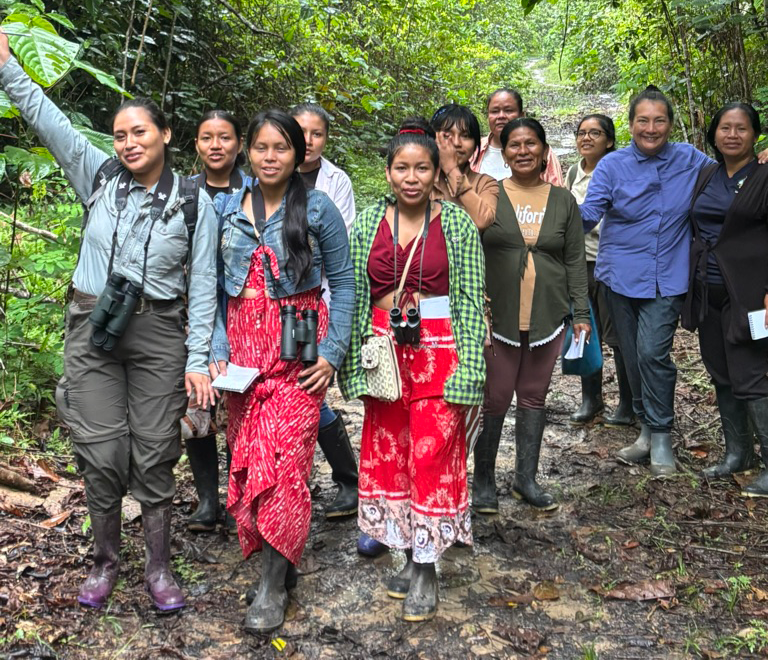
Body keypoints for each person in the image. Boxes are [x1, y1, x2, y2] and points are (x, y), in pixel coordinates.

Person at [0, 33, 217, 612]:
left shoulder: (196, 203)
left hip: (159, 333)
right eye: (120, 135)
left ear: (166, 135)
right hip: (91, 328)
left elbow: (202, 291)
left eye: (139, 132)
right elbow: (51, 121)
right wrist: (7, 66)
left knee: (153, 452)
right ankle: (103, 562)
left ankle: (159, 567)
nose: (127, 143)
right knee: (101, 450)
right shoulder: (97, 176)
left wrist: (198, 358)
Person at [211, 110, 354, 634]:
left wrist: (332, 354)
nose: (271, 157)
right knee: (248, 464)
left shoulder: (317, 209)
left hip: (296, 360)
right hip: (241, 362)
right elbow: (213, 288)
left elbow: (344, 283)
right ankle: (281, 561)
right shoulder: (227, 207)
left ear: (298, 154)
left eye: (282, 148)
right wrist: (216, 348)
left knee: (283, 469)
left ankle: (272, 587)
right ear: (248, 152)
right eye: (262, 148)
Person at [339, 119, 486, 621]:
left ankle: (426, 567)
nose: (411, 177)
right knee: (390, 458)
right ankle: (407, 551)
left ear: (435, 172)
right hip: (384, 354)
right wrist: (352, 364)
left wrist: (470, 367)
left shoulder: (458, 224)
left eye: (422, 167)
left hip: (440, 351)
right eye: (402, 167)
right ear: (387, 173)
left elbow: (468, 299)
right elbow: (355, 297)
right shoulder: (365, 226)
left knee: (433, 457)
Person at [580, 86, 715, 477]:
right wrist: (551, 213)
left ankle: (661, 436)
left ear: (670, 125)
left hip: (668, 276)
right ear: (631, 123)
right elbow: (590, 213)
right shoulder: (612, 165)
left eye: (659, 120)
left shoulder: (690, 159)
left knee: (653, 353)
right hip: (619, 275)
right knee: (630, 353)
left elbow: (727, 174)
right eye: (643, 121)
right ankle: (644, 429)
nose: (651, 128)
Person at [474, 117, 590, 514]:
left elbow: (575, 259)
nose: (523, 151)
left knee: (534, 395)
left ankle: (526, 478)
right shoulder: (490, 195)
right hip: (497, 315)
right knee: (496, 396)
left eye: (530, 144)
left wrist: (582, 313)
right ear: (503, 153)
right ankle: (484, 480)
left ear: (544, 150)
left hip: (548, 312)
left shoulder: (562, 201)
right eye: (514, 145)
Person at [681, 102, 768, 492]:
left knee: (752, 374)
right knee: (720, 371)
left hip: (751, 293)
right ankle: (738, 453)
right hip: (707, 291)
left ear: (755, 135)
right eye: (725, 128)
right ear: (713, 134)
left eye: (742, 129)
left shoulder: (765, 175)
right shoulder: (707, 174)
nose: (732, 135)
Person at [289, 103, 359, 521]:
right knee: (299, 390)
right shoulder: (268, 175)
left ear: (325, 139)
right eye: (301, 132)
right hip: (278, 308)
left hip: (320, 303)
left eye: (317, 134)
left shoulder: (337, 182)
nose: (308, 141)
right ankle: (344, 478)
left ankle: (347, 480)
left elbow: (340, 248)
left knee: (308, 388)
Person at [183, 109, 247, 533]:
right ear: (196, 145)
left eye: (224, 137)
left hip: (242, 309)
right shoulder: (184, 193)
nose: (216, 145)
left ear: (239, 144)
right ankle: (208, 500)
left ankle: (238, 496)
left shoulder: (254, 190)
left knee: (236, 405)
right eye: (207, 138)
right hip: (194, 309)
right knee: (199, 402)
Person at [565, 115, 634, 428]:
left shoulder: (621, 169)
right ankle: (591, 398)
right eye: (582, 133)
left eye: (595, 133)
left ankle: (629, 402)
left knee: (616, 334)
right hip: (579, 264)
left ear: (609, 139)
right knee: (583, 329)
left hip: (611, 263)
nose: (587, 138)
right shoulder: (572, 173)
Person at [471, 88, 563, 185]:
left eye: (508, 110)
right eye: (495, 111)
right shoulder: (474, 150)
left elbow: (556, 191)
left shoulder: (541, 153)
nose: (501, 116)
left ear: (521, 115)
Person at [429, 103, 499, 230]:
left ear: (475, 145)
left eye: (465, 136)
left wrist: (451, 169)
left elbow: (482, 221)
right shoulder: (421, 178)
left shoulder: (486, 183)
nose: (456, 143)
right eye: (447, 135)